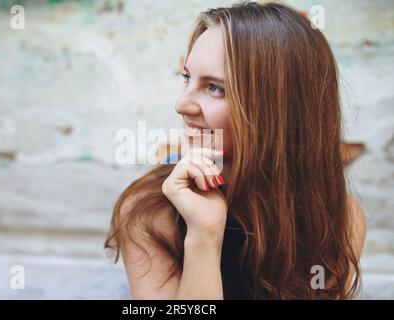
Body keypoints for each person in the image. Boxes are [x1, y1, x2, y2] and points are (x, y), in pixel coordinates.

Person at [105, 1, 366, 299]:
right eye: (187, 78)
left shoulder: (339, 218)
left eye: (215, 88)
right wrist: (204, 235)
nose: (181, 105)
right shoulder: (151, 210)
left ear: (278, 108)